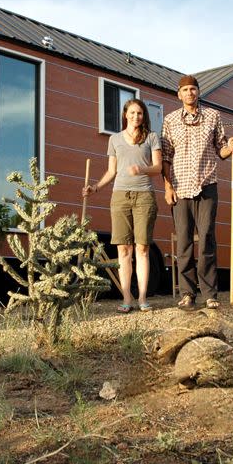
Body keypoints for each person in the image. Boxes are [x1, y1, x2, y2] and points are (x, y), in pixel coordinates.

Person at [162, 74, 233, 311]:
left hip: (207, 185)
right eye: (185, 90)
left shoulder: (213, 117)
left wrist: (231, 147)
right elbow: (166, 156)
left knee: (206, 238)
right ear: (179, 94)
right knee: (184, 242)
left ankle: (209, 293)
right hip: (180, 188)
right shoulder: (170, 120)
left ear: (198, 92)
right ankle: (187, 293)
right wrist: (167, 187)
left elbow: (221, 150)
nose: (189, 93)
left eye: (193, 89)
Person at [83, 98, 162, 313]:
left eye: (140, 113)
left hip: (144, 196)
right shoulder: (114, 139)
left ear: (143, 116)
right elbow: (112, 171)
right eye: (132, 113)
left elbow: (157, 167)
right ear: (125, 114)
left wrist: (142, 169)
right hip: (120, 197)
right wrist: (95, 187)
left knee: (142, 248)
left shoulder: (152, 138)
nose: (136, 116)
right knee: (123, 248)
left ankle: (143, 297)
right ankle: (127, 297)